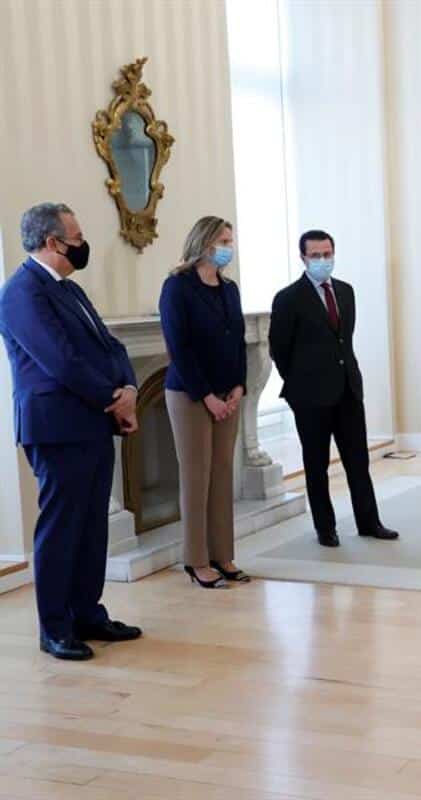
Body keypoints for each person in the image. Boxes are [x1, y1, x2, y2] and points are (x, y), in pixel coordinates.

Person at [0, 203, 142, 660]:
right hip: (56, 427)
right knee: (62, 529)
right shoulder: (22, 291)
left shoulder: (69, 289)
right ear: (52, 242)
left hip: (92, 421)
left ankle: (87, 613)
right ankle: (55, 627)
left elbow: (110, 344)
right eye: (76, 236)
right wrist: (112, 397)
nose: (83, 243)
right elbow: (59, 361)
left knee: (90, 525)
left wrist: (131, 388)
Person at [268, 230, 399, 547]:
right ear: (303, 258)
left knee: (358, 461)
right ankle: (325, 528)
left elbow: (344, 340)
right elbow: (279, 350)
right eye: (316, 255)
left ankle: (369, 522)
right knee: (316, 465)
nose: (323, 260)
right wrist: (301, 382)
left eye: (327, 254)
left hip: (348, 390)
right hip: (310, 396)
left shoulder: (345, 291)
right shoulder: (288, 298)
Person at [159, 217, 249, 589]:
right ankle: (196, 560)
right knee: (197, 476)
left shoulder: (229, 288)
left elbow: (239, 338)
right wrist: (208, 396)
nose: (230, 246)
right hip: (190, 394)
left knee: (223, 473)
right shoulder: (177, 287)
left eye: (231, 239)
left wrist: (240, 386)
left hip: (229, 393)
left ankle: (222, 554)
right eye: (223, 240)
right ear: (204, 242)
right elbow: (179, 347)